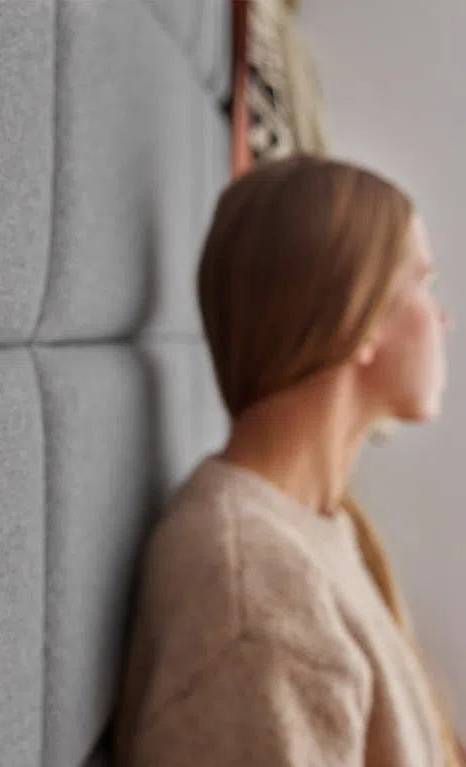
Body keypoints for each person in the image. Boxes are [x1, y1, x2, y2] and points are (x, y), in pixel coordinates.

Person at [111, 154, 463, 766]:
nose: (444, 320)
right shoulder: (254, 598)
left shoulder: (319, 527)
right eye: (423, 285)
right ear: (358, 317)